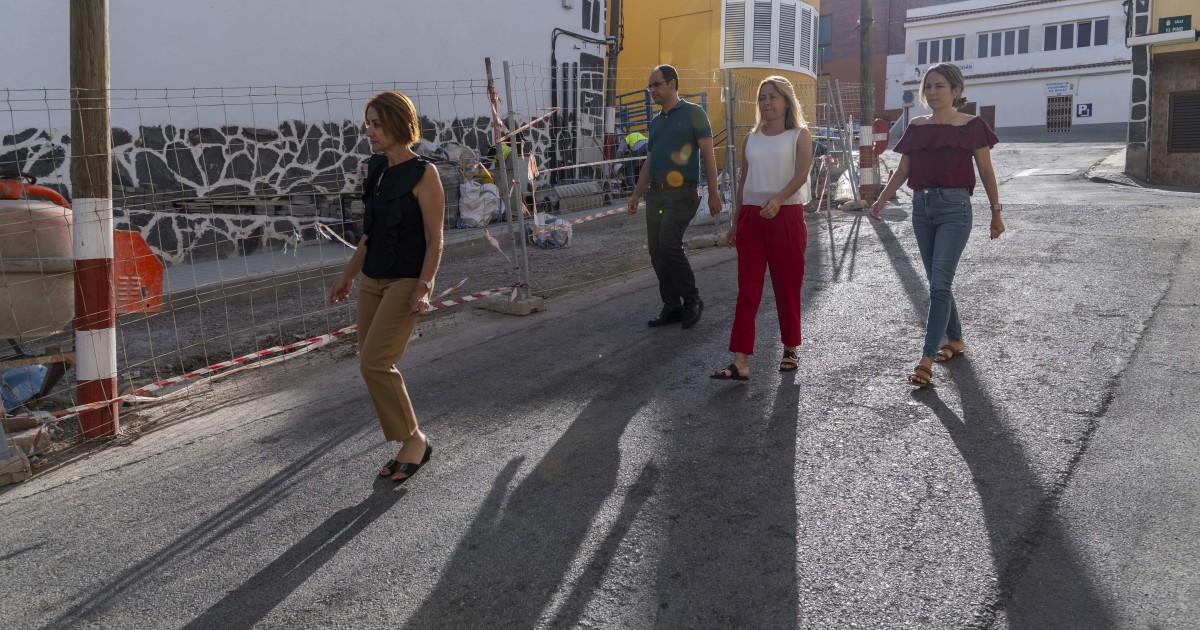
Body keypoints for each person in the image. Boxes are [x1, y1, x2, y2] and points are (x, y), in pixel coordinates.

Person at [328, 91, 444, 481]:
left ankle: (414, 441)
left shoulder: (425, 174)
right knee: (372, 360)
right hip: (372, 279)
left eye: (377, 124)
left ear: (398, 123)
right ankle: (408, 441)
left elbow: (435, 238)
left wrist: (424, 286)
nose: (370, 131)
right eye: (368, 124)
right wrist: (347, 275)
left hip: (406, 280)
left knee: (374, 361)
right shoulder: (375, 168)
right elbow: (370, 234)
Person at [869, 63, 1005, 388]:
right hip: (922, 208)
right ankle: (955, 340)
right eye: (928, 86)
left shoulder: (973, 126)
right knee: (936, 280)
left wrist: (996, 212)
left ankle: (925, 359)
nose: (932, 92)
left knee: (939, 285)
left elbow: (986, 171)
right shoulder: (917, 126)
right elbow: (903, 171)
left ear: (956, 91)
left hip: (955, 209)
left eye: (940, 86)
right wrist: (882, 199)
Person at [710, 76, 813, 381]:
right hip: (752, 219)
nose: (767, 103)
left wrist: (779, 200)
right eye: (763, 98)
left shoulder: (799, 135)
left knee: (787, 287)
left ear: (786, 101)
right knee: (748, 291)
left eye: (773, 97)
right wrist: (735, 221)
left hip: (787, 215)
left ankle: (791, 347)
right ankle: (740, 360)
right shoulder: (751, 138)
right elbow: (744, 182)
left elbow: (802, 174)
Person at [626, 64, 723, 329]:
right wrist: (636, 194)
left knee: (669, 244)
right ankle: (672, 306)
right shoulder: (656, 122)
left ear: (672, 83)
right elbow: (649, 161)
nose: (652, 91)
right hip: (656, 195)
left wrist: (714, 193)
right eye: (650, 86)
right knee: (657, 252)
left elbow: (708, 155)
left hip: (682, 194)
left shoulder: (694, 113)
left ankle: (692, 300)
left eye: (656, 84)